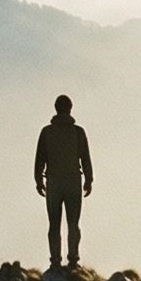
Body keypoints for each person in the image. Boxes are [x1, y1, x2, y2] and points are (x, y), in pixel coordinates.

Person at [34, 94, 94, 270]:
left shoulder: (47, 132)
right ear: (70, 109)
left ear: (56, 108)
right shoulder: (78, 132)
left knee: (54, 224)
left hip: (53, 182)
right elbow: (85, 158)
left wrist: (39, 180)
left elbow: (40, 159)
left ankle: (55, 261)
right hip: (73, 182)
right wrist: (88, 180)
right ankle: (73, 260)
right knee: (73, 224)